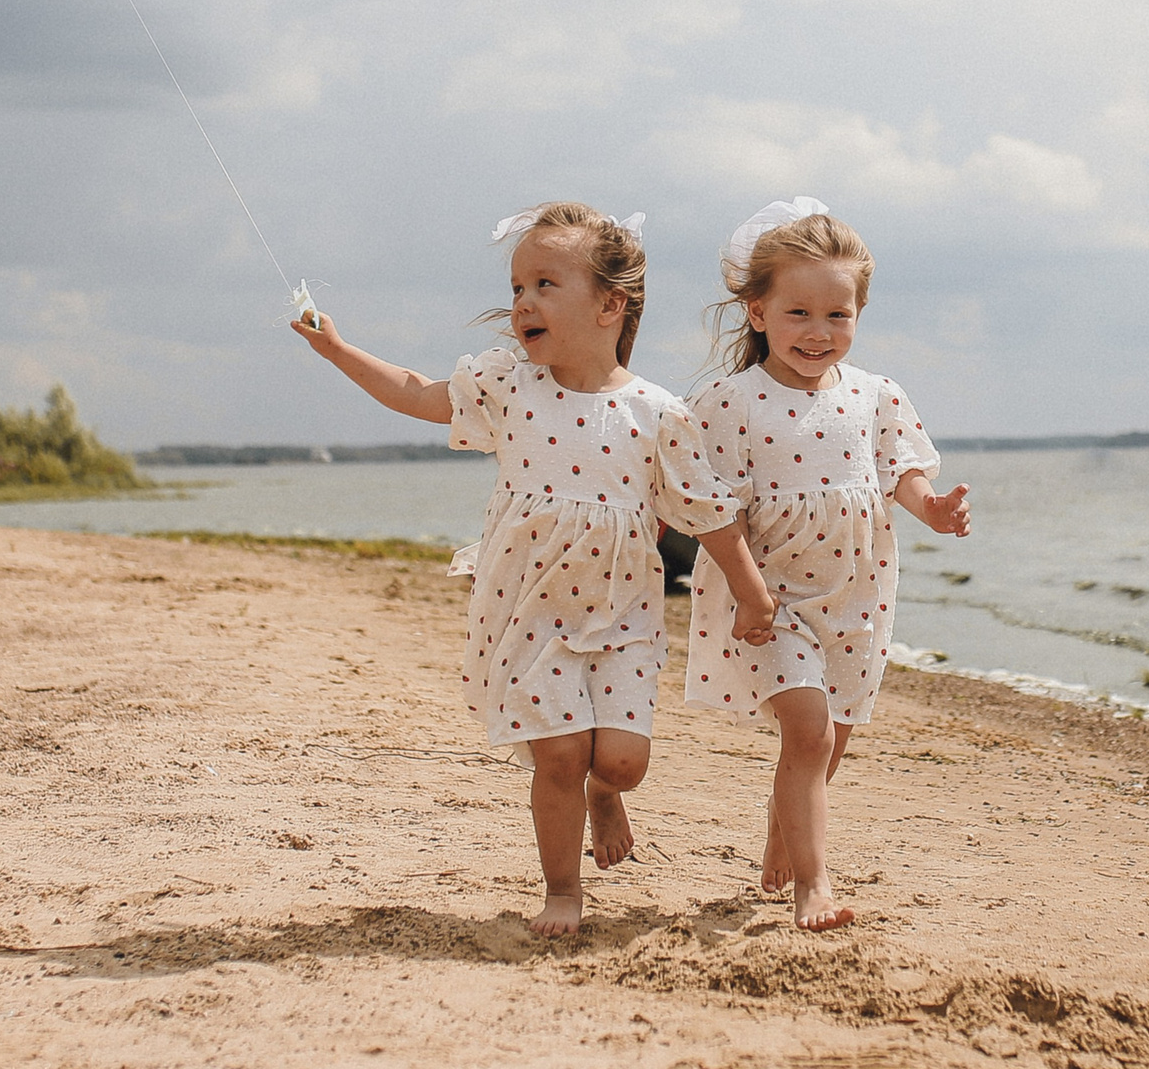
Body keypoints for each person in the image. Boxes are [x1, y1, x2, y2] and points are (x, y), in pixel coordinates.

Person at [294, 202, 776, 937]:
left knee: (620, 760)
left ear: (611, 303)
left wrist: (750, 593)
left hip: (623, 617)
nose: (522, 303)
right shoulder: (509, 388)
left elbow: (708, 512)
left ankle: (603, 794)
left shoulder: (655, 413)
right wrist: (339, 351)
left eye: (546, 284)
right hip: (531, 610)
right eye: (518, 287)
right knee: (557, 752)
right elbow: (418, 390)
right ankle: (562, 890)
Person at [682, 198, 972, 930]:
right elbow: (711, 506)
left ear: (858, 314)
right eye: (799, 313)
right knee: (807, 730)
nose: (819, 333)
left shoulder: (877, 394)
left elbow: (899, 469)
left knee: (832, 735)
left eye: (837, 316)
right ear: (757, 313)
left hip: (856, 593)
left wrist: (930, 506)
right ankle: (815, 884)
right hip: (771, 594)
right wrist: (749, 593)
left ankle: (785, 835)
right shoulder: (730, 401)